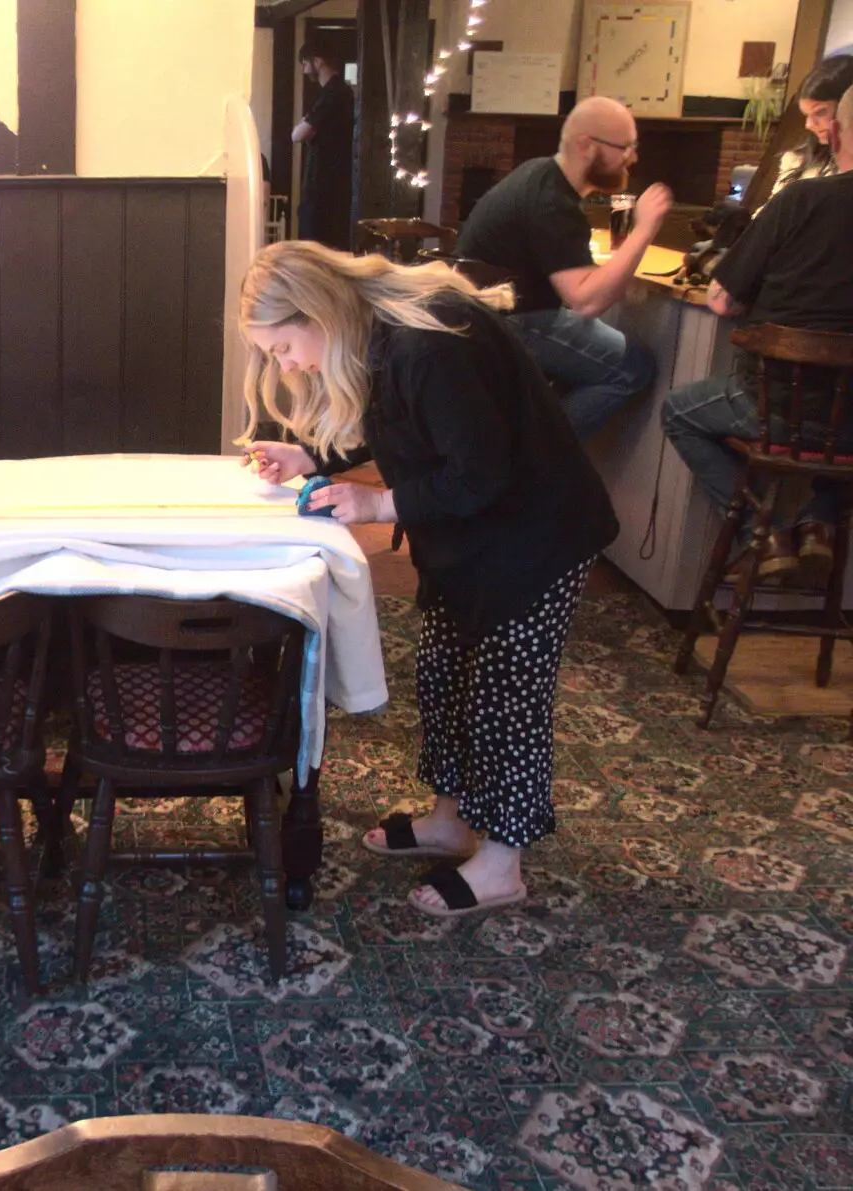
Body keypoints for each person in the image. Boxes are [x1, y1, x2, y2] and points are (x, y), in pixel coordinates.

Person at [239, 242, 618, 917]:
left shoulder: (427, 341)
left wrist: (378, 503)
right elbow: (398, 423)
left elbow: (480, 471)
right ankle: (452, 818)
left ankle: (503, 860)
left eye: (283, 346)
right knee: (445, 675)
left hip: (536, 533)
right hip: (470, 532)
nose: (285, 364)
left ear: (317, 310)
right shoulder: (378, 336)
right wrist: (312, 455)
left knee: (508, 696)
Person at [662, 84, 853, 585]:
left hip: (775, 410)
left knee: (678, 410)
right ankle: (821, 521)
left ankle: (766, 533)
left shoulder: (801, 199)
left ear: (835, 132)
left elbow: (722, 300)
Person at [457, 96, 671, 438]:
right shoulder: (553, 202)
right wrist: (644, 229)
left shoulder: (539, 174)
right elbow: (586, 301)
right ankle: (537, 457)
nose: (633, 157)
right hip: (510, 322)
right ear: (588, 145)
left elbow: (579, 280)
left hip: (485, 317)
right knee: (634, 368)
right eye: (625, 147)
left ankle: (528, 442)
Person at [292, 42, 354, 250]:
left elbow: (297, 135)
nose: (303, 69)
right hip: (328, 179)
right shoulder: (334, 92)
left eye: (304, 63)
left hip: (325, 180)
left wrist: (304, 124)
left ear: (317, 62)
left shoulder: (334, 93)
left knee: (316, 241)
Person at [770, 56, 853, 197]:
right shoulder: (797, 160)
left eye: (821, 112)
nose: (809, 125)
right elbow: (772, 213)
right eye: (806, 115)